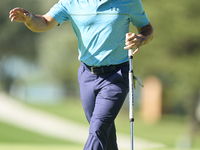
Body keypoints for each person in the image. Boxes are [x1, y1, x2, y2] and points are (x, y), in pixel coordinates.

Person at [9, 0, 153, 149]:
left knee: (98, 128)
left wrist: (140, 39)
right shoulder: (71, 2)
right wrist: (29, 18)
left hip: (116, 76)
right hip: (87, 75)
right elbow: (44, 22)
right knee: (104, 131)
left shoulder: (129, 2)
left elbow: (146, 28)